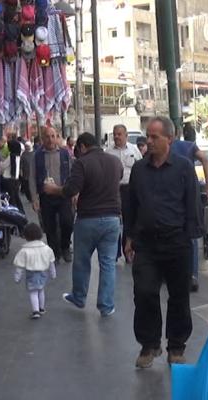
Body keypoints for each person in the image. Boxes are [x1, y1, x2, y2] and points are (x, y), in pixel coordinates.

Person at [124, 116, 201, 368]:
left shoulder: (183, 167)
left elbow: (192, 202)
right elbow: (131, 205)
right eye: (148, 136)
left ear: (170, 138)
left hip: (177, 242)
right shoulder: (139, 169)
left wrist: (190, 238)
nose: (149, 141)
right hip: (146, 244)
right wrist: (129, 237)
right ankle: (149, 344)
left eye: (154, 136)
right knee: (144, 292)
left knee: (179, 296)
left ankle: (176, 346)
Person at [44, 133, 123, 317]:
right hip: (112, 219)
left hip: (88, 218)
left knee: (82, 260)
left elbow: (70, 190)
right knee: (108, 263)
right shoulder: (114, 161)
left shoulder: (82, 163)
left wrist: (53, 189)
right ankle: (106, 306)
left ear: (82, 147)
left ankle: (79, 297)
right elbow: (117, 178)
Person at [170, 129, 208, 292]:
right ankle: (192, 275)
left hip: (171, 195)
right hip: (191, 192)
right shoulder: (189, 146)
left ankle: (173, 273)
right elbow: (205, 159)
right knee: (191, 235)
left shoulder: (162, 147)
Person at [29, 127, 74, 263]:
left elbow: (72, 174)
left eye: (53, 136)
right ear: (43, 138)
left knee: (67, 222)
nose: (50, 139)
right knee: (49, 226)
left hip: (62, 194)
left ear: (57, 137)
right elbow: (32, 177)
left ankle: (65, 247)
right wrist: (34, 198)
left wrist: (73, 193)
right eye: (47, 137)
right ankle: (54, 252)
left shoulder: (65, 154)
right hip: (46, 196)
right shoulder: (37, 155)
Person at [105, 124, 143, 265]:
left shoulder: (134, 150)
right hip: (113, 190)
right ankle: (114, 253)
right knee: (114, 221)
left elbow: (141, 168)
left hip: (129, 189)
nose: (116, 137)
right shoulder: (108, 152)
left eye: (119, 134)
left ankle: (128, 250)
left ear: (126, 136)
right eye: (115, 134)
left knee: (129, 221)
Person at [13, 223, 57, 320]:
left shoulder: (24, 251)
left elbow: (19, 266)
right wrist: (53, 273)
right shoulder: (46, 248)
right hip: (43, 273)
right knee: (41, 290)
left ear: (26, 236)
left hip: (31, 274)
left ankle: (35, 311)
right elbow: (51, 262)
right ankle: (41, 308)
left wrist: (17, 277)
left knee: (33, 292)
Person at [0, 133, 25, 212]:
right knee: (16, 198)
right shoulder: (18, 156)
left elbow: (2, 166)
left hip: (8, 180)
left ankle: (14, 212)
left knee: (12, 199)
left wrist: (0, 162)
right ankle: (21, 212)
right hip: (16, 180)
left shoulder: (10, 156)